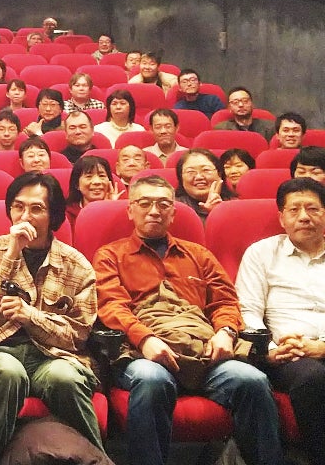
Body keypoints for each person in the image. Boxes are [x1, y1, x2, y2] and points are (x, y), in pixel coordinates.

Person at [94, 174, 286, 465]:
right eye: (144, 203)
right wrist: (145, 339)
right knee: (151, 379)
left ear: (173, 213)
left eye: (163, 205)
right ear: (130, 210)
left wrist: (225, 332)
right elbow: (111, 306)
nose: (154, 211)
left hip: (205, 351)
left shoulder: (198, 254)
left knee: (253, 380)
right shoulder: (111, 255)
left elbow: (225, 301)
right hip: (142, 352)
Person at [0, 172, 103, 465]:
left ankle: (97, 460)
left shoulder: (76, 265)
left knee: (65, 378)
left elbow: (78, 334)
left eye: (36, 208)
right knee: (7, 372)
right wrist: (12, 253)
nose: (25, 216)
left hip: (54, 355)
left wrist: (31, 316)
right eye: (18, 206)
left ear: (53, 215)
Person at [236, 177, 325, 465]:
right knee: (312, 377)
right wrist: (271, 350)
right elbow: (248, 311)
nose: (304, 217)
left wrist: (321, 347)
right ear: (281, 218)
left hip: (320, 347)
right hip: (289, 354)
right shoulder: (261, 253)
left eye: (313, 209)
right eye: (294, 210)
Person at [174, 148, 234, 223]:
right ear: (181, 177)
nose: (199, 177)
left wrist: (217, 212)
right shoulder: (173, 208)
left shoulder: (235, 206)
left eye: (206, 170)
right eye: (191, 172)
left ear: (219, 174)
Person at [65, 155, 114, 226]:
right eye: (89, 176)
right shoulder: (67, 216)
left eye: (102, 176)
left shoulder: (121, 213)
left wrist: (111, 208)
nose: (97, 182)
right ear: (77, 184)